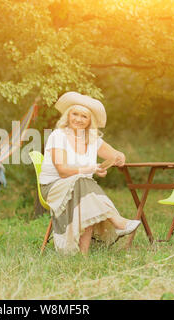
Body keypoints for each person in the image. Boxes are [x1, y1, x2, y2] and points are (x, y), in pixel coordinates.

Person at [39, 92, 141, 255]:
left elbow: (115, 155)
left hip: (82, 188)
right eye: (75, 114)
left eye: (84, 116)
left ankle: (83, 254)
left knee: (85, 189)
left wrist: (119, 158)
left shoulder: (92, 138)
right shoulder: (58, 136)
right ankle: (117, 221)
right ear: (68, 115)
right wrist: (90, 169)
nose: (78, 119)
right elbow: (63, 171)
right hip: (54, 187)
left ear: (89, 121)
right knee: (83, 182)